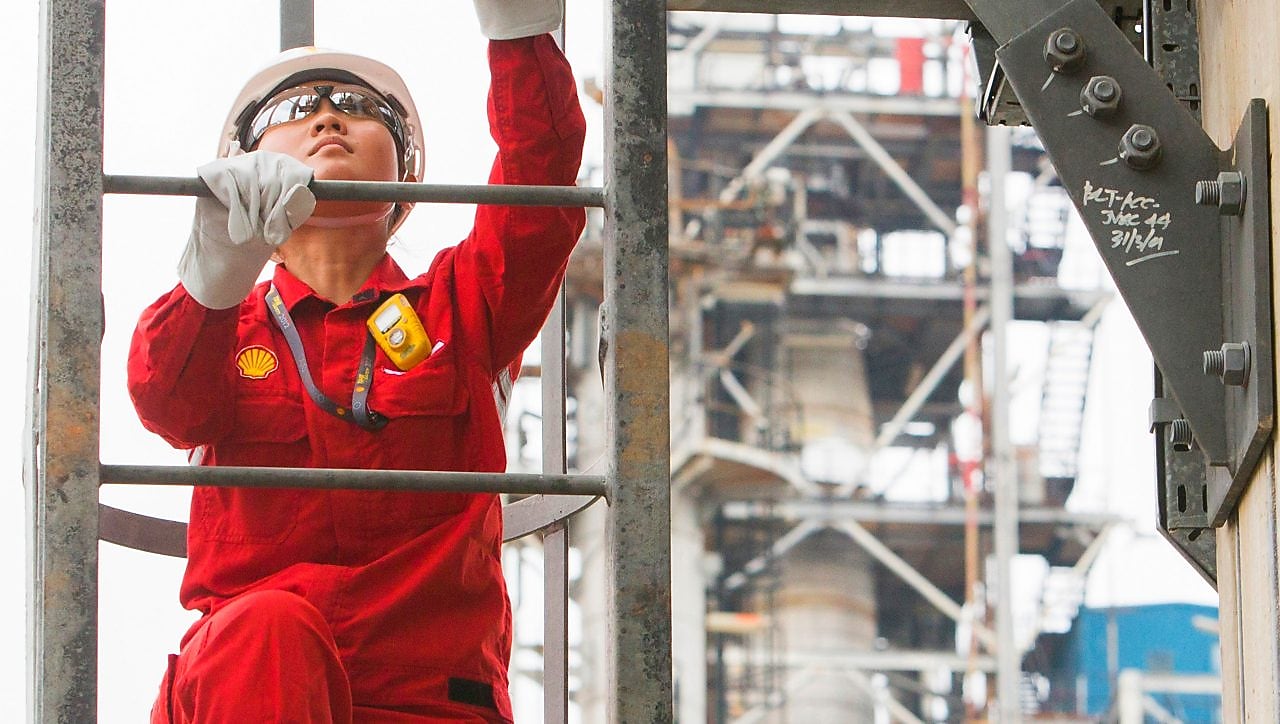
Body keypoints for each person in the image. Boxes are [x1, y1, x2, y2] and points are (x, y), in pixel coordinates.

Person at [126, 2, 585, 721]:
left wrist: (520, 30)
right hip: (253, 686)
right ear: (247, 164)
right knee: (268, 628)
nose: (330, 117)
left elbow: (540, 188)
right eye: (298, 106)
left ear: (402, 180)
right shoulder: (220, 330)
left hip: (428, 700)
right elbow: (165, 404)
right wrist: (210, 277)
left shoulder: (461, 310)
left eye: (365, 110)